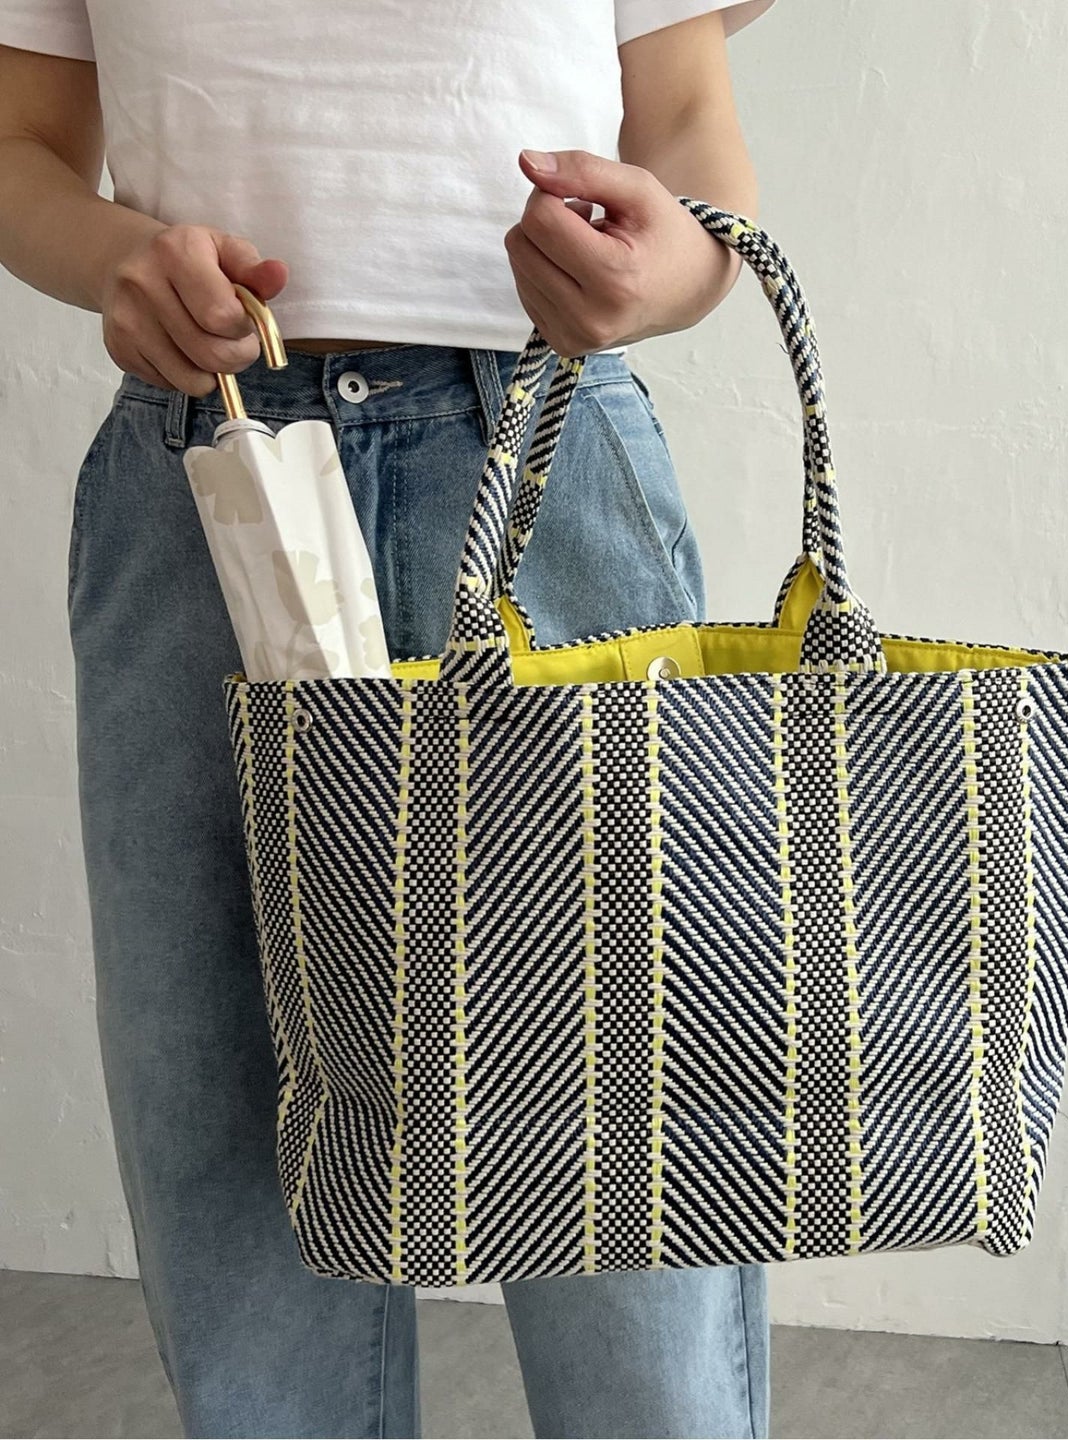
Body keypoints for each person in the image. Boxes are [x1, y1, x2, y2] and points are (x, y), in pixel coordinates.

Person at [0, 4, 774, 1435]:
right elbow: (22, 144)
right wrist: (119, 259)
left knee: (628, 1122)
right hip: (209, 470)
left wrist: (670, 268)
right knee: (224, 1110)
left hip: (537, 444)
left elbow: (686, 131)